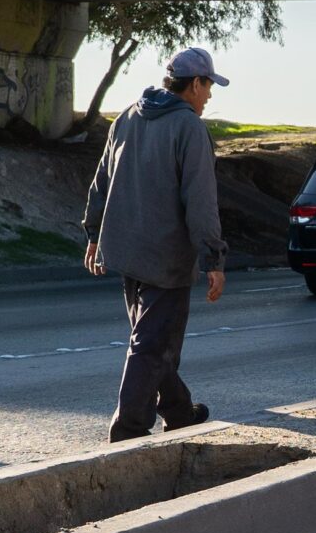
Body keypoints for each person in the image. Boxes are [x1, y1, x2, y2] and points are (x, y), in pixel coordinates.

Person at [82, 46, 229, 441]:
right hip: (166, 260)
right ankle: (128, 429)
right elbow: (200, 200)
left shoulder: (127, 117)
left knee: (154, 341)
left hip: (126, 253)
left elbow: (101, 182)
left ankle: (180, 412)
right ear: (194, 84)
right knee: (151, 346)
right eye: (209, 86)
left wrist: (93, 234)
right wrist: (213, 258)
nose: (210, 96)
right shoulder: (190, 128)